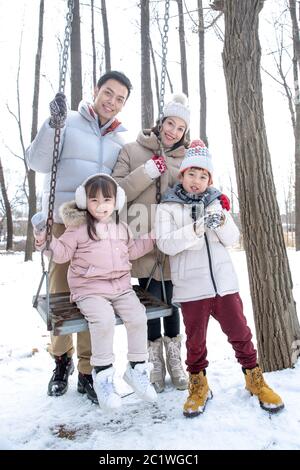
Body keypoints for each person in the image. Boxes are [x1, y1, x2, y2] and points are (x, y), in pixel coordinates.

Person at [155, 140, 284, 416]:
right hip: (192, 288)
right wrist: (198, 227)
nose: (197, 180)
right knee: (195, 342)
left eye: (203, 176)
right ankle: (198, 386)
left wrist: (221, 220)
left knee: (241, 334)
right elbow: (166, 244)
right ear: (182, 175)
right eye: (192, 174)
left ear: (209, 179)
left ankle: (254, 379)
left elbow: (234, 239)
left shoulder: (216, 203)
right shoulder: (167, 207)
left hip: (224, 286)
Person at [26, 70, 133, 402]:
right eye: (108, 93)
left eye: (120, 99)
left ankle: (88, 370)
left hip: (98, 228)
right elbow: (37, 162)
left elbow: (119, 188)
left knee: (95, 296)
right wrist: (51, 124)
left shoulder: (119, 140)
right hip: (62, 223)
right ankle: (62, 361)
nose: (112, 102)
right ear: (95, 91)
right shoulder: (68, 122)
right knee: (61, 297)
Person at [33, 173, 157, 411]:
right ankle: (103, 377)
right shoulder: (78, 229)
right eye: (94, 201)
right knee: (103, 320)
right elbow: (62, 253)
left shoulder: (121, 228)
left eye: (107, 200)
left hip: (120, 288)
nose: (101, 206)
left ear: (116, 202)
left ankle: (137, 369)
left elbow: (132, 250)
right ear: (84, 202)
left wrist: (153, 237)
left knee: (138, 317)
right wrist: (46, 241)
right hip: (89, 290)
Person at [112, 93, 191, 393]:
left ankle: (174, 358)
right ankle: (152, 362)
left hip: (174, 244)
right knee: (149, 301)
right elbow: (116, 192)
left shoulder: (186, 158)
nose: (173, 131)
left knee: (172, 303)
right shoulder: (132, 150)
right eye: (170, 123)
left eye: (180, 128)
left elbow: (196, 187)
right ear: (160, 122)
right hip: (142, 243)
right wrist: (147, 172)